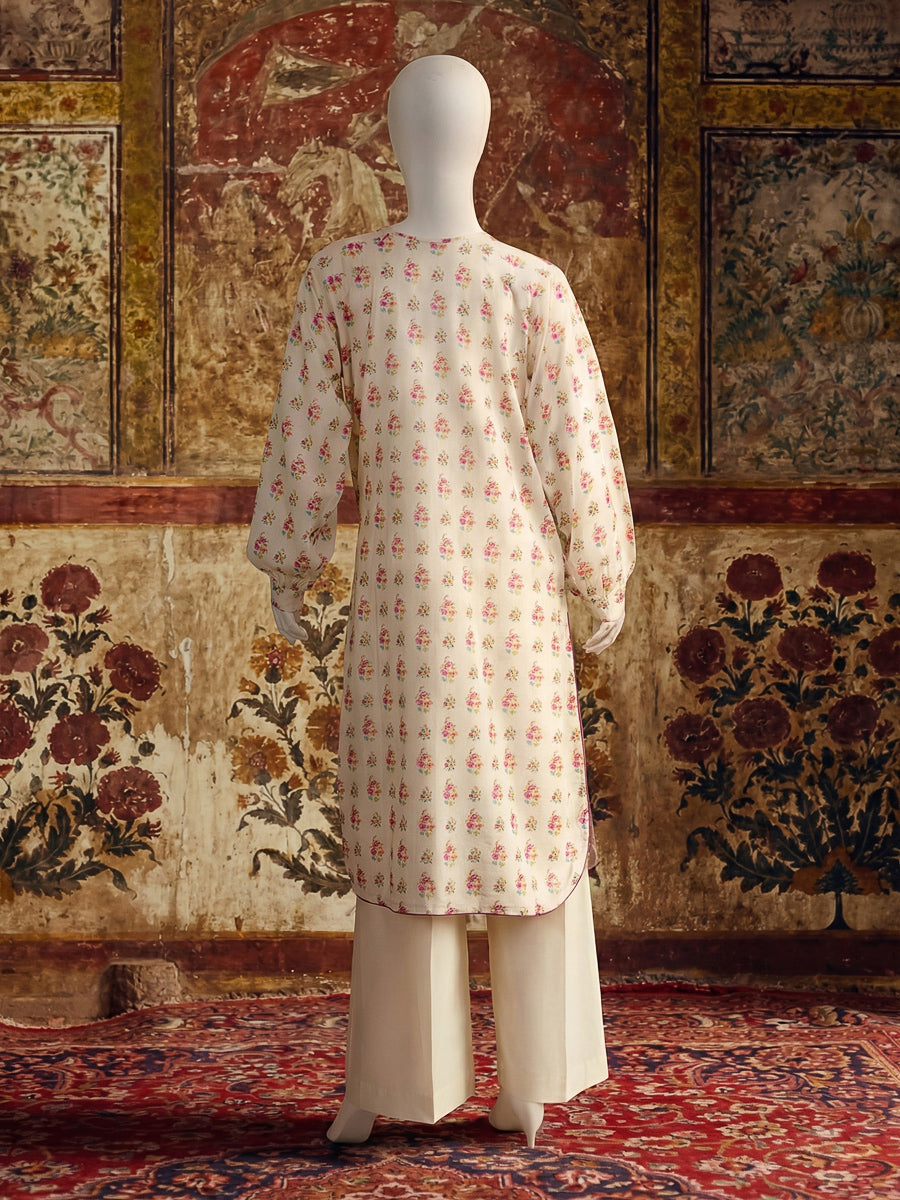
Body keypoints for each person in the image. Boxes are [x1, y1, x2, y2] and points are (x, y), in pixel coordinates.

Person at [247, 54, 635, 1148]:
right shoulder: (530, 287)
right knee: (518, 825)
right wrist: (598, 571)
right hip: (511, 603)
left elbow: (308, 437)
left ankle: (397, 1081)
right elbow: (579, 452)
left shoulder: (348, 278)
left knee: (417, 829)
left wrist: (291, 560)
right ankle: (528, 1080)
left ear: (392, 138)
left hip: (410, 603)